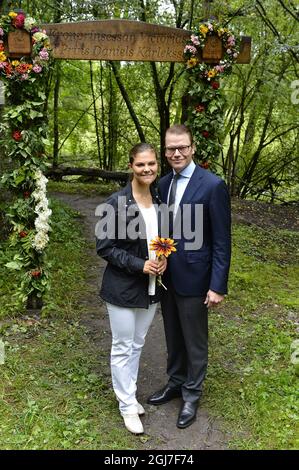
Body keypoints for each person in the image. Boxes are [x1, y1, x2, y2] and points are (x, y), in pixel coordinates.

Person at [147, 124, 231, 429]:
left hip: (197, 278)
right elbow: (163, 229)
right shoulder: (163, 184)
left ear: (193, 148)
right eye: (171, 148)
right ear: (165, 151)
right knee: (172, 333)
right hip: (167, 276)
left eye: (182, 147)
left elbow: (222, 241)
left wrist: (217, 285)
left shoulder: (212, 185)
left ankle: (192, 394)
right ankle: (176, 382)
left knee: (195, 339)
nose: (177, 153)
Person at [96, 143, 167, 435]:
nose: (147, 169)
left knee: (138, 343)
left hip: (152, 286)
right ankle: (126, 405)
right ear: (131, 166)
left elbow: (161, 237)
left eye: (151, 164)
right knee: (123, 346)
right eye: (141, 165)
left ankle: (130, 392)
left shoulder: (160, 200)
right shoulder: (115, 203)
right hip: (123, 287)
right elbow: (105, 247)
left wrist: (162, 257)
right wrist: (140, 264)